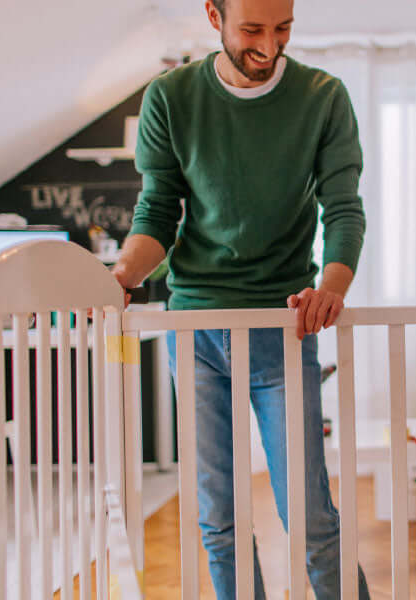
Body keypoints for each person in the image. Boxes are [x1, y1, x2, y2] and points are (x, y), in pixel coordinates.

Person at [111, 0, 370, 598]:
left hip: (283, 330)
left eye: (283, 29)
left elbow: (345, 208)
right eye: (251, 29)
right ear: (213, 15)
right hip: (195, 331)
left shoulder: (322, 96)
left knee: (309, 515)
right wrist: (121, 275)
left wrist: (331, 289)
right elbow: (156, 212)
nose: (269, 47)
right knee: (218, 518)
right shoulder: (170, 97)